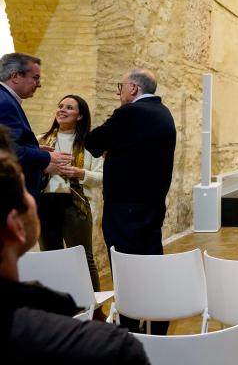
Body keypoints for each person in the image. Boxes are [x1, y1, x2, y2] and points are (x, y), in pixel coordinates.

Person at [0, 129, 149, 364]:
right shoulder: (108, 349)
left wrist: (80, 173)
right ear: (15, 226)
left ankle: (94, 309)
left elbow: (98, 175)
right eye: (24, 187)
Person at [85, 68, 176, 335]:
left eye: (120, 86)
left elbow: (94, 141)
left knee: (125, 268)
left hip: (124, 208)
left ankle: (129, 324)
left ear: (134, 88)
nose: (119, 91)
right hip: (151, 205)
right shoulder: (163, 113)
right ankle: (157, 319)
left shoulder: (130, 113)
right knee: (150, 263)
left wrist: (110, 148)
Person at [38, 95, 103, 292]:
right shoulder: (40, 140)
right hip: (45, 203)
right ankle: (57, 308)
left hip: (76, 205)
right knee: (50, 258)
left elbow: (102, 177)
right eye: (60, 106)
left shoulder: (90, 143)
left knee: (83, 259)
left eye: (69, 107)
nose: (62, 110)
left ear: (80, 115)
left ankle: (94, 309)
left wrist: (80, 172)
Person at [0, 53, 72, 199]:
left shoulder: (6, 99)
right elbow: (8, 151)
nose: (39, 84)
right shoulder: (5, 102)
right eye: (35, 78)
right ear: (15, 76)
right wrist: (46, 156)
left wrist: (34, 148)